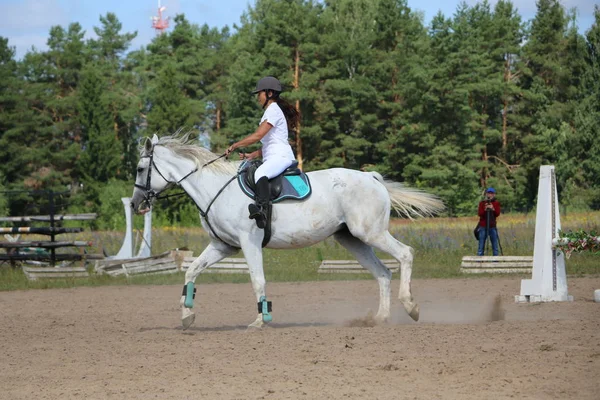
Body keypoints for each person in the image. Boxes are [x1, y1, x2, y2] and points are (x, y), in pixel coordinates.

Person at [225, 76, 300, 229]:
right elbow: (268, 144)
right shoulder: (272, 111)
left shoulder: (273, 110)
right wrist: (251, 155)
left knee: (260, 173)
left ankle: (262, 210)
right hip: (274, 156)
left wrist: (235, 145)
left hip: (281, 157)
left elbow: (258, 136)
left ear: (269, 93)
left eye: (259, 93)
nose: (258, 97)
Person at [477, 187, 501, 256]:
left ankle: (495, 261)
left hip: (492, 226)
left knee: (495, 245)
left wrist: (492, 208)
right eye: (488, 193)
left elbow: (497, 214)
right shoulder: (482, 203)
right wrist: (485, 209)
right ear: (486, 194)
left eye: (491, 193)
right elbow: (480, 214)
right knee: (481, 245)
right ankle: (479, 262)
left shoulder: (496, 203)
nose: (490, 195)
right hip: (483, 226)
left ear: (494, 195)